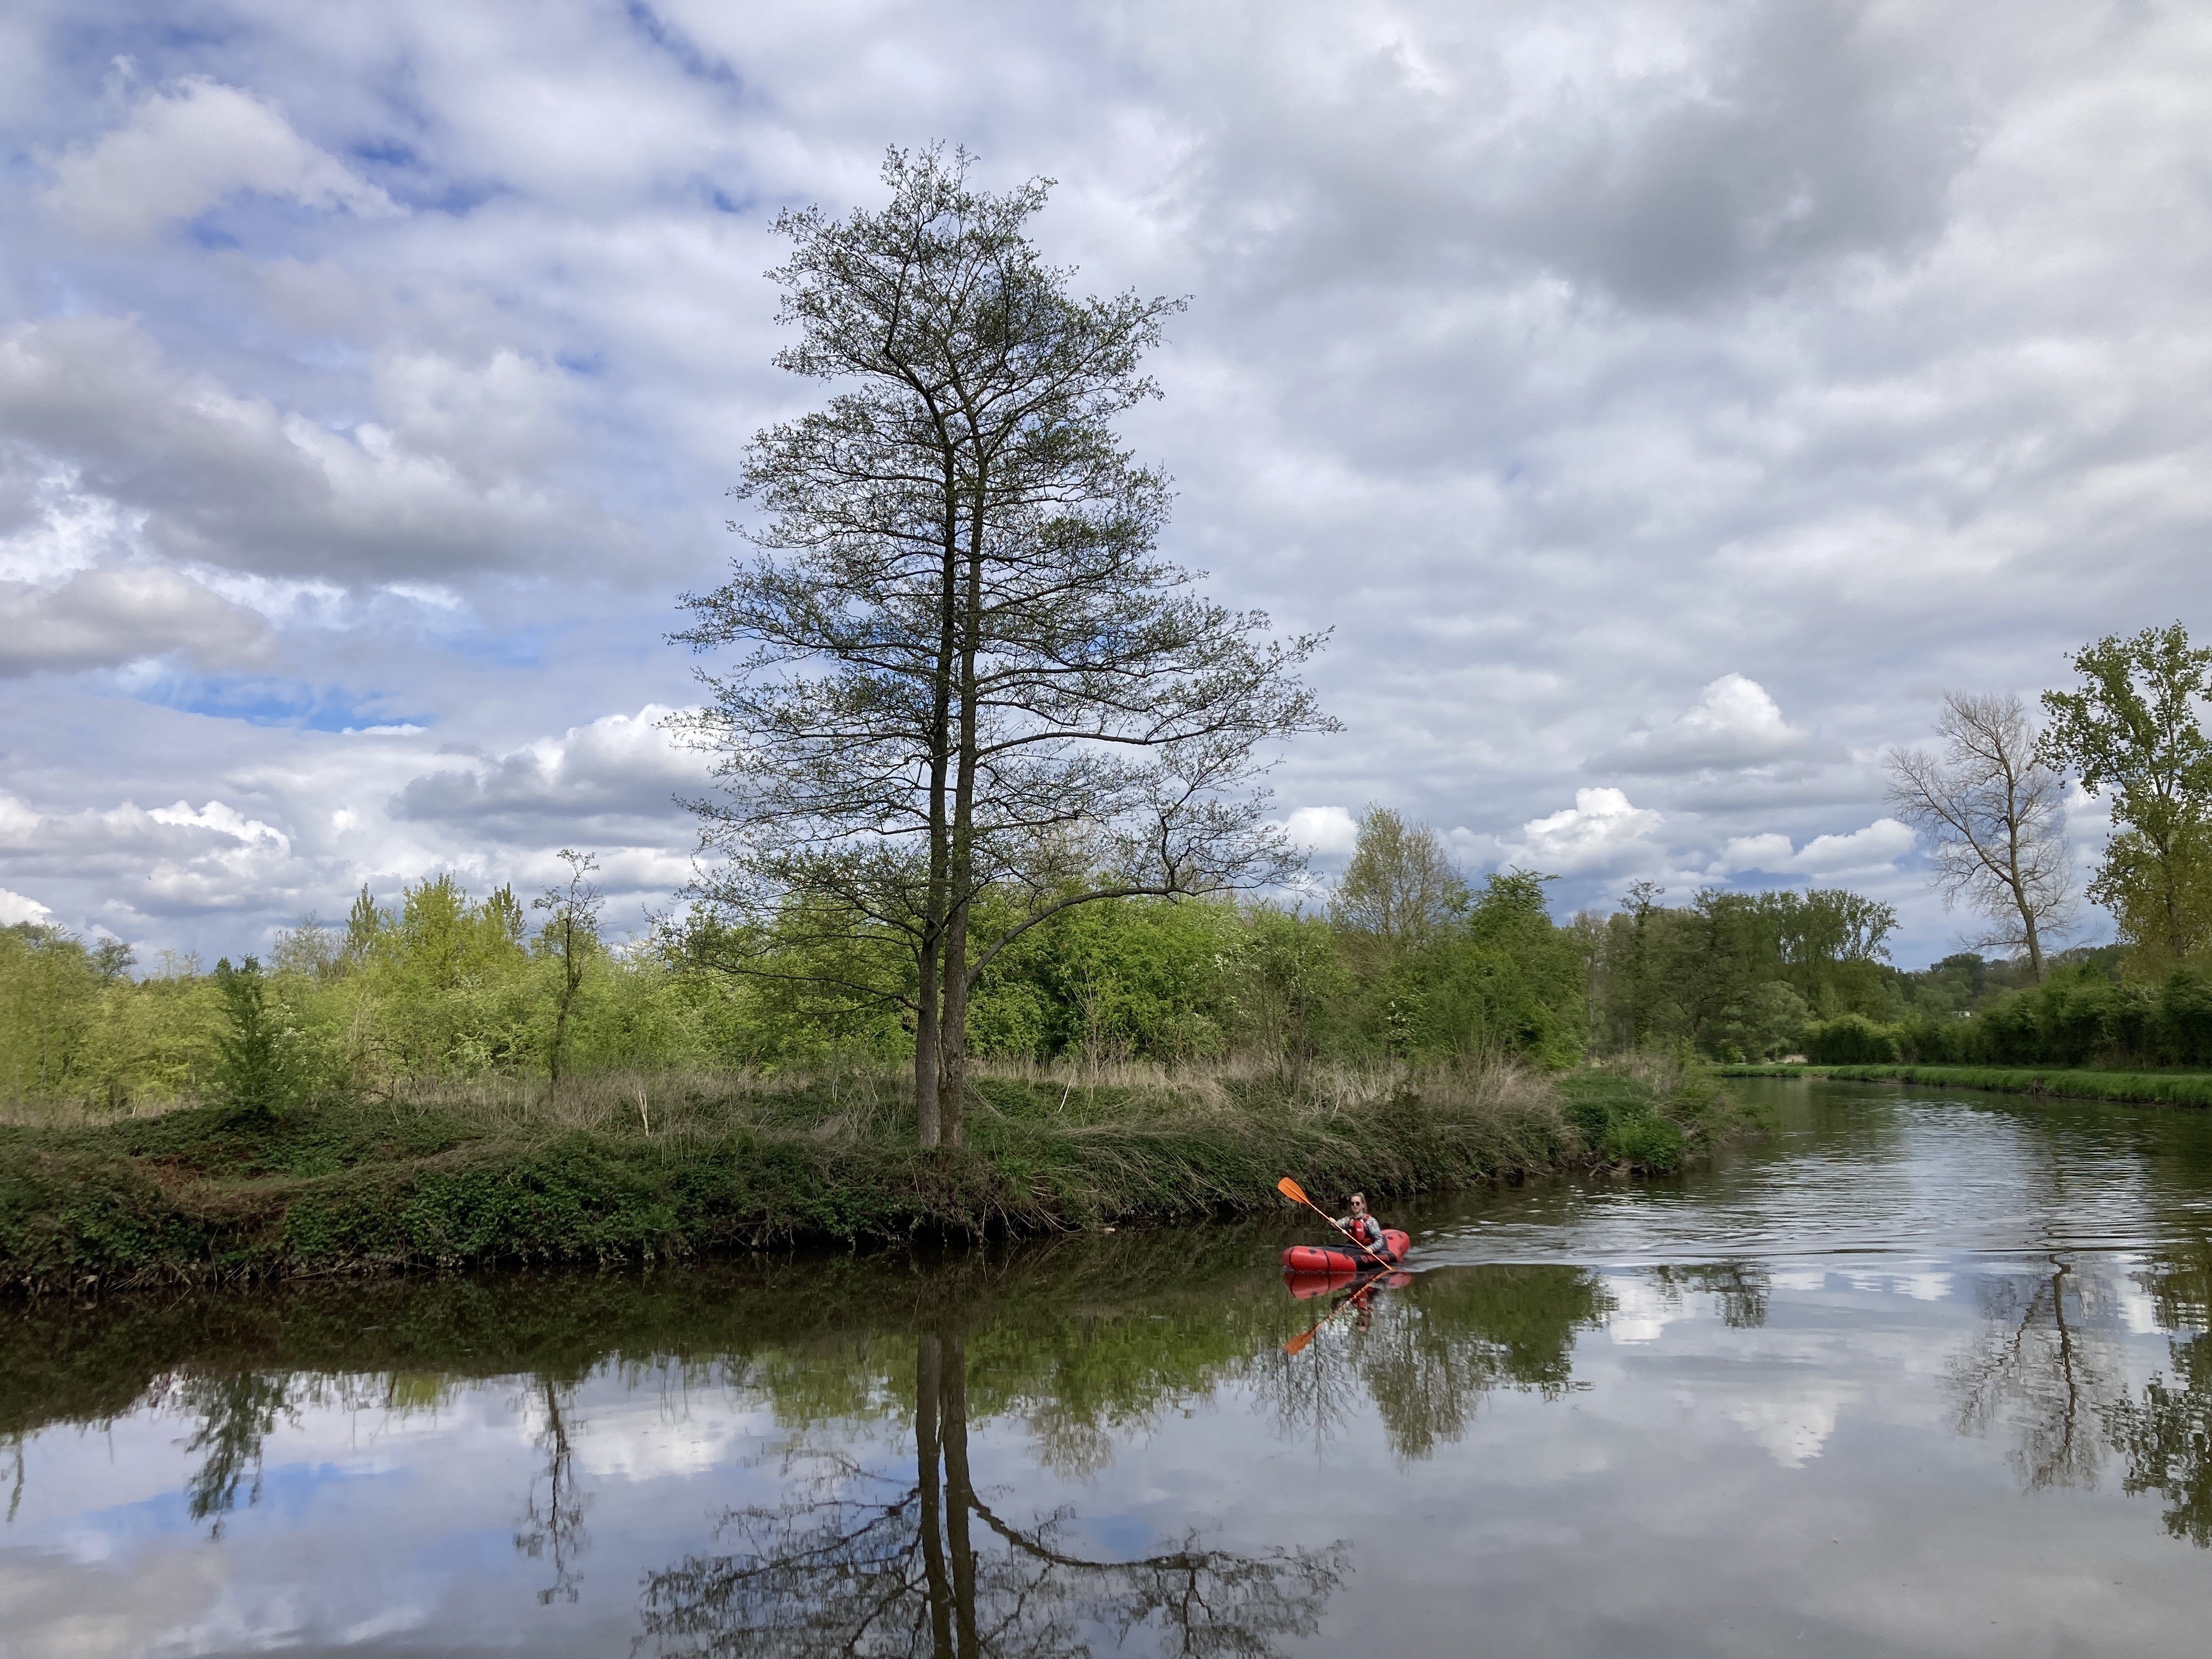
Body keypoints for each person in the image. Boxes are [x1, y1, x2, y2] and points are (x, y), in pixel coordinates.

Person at [1332, 1192, 1389, 1262]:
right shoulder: (1349, 1220)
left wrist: (1372, 1248)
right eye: (1352, 1203)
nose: (1355, 1205)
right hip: (1353, 1248)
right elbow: (1336, 1225)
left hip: (1366, 1249)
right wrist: (1332, 1223)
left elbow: (1380, 1241)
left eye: (1357, 1203)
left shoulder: (1370, 1221)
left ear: (1363, 1205)